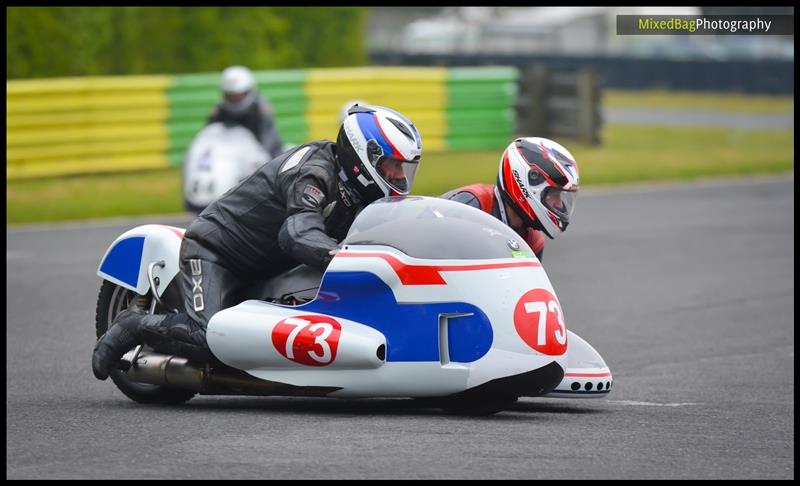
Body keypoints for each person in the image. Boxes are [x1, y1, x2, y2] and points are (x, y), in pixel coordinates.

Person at [92, 104, 423, 380]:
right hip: (216, 252)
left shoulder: (358, 188)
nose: (398, 176)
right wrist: (344, 257)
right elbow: (298, 234)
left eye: (403, 167)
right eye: (392, 165)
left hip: (267, 267)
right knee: (208, 337)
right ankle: (134, 327)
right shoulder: (313, 172)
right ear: (364, 156)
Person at [441, 137, 579, 261]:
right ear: (531, 181)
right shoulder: (471, 206)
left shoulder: (532, 241)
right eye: (554, 194)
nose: (559, 204)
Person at [207, 65, 285, 159]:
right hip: (227, 162)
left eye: (239, 95)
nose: (235, 99)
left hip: (257, 162)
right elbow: (208, 140)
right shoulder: (218, 112)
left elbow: (270, 144)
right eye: (231, 95)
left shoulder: (260, 110)